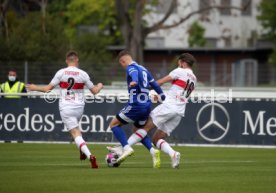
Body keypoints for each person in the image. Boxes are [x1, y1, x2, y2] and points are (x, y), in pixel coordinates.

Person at [110, 53, 197, 169]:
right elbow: (178, 94)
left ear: (183, 63)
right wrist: (160, 97)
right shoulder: (194, 79)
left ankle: (122, 149)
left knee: (143, 128)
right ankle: (174, 154)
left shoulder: (180, 71)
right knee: (156, 139)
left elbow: (160, 82)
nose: (178, 65)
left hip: (169, 107)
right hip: (179, 112)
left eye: (179, 63)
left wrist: (145, 88)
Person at [26, 51, 103, 169]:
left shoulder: (61, 73)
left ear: (67, 60)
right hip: (79, 107)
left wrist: (34, 87)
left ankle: (90, 156)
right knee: (77, 130)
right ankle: (82, 151)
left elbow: (47, 89)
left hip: (66, 107)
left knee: (75, 133)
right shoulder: (83, 74)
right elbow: (94, 91)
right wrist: (100, 85)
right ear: (77, 60)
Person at [108, 50, 166, 168]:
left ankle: (126, 148)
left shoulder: (131, 67)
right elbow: (154, 84)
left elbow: (133, 72)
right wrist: (162, 95)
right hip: (147, 105)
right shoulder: (144, 69)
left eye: (122, 64)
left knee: (114, 124)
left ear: (123, 61)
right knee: (138, 131)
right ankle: (152, 151)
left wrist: (134, 80)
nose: (123, 67)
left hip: (136, 105)